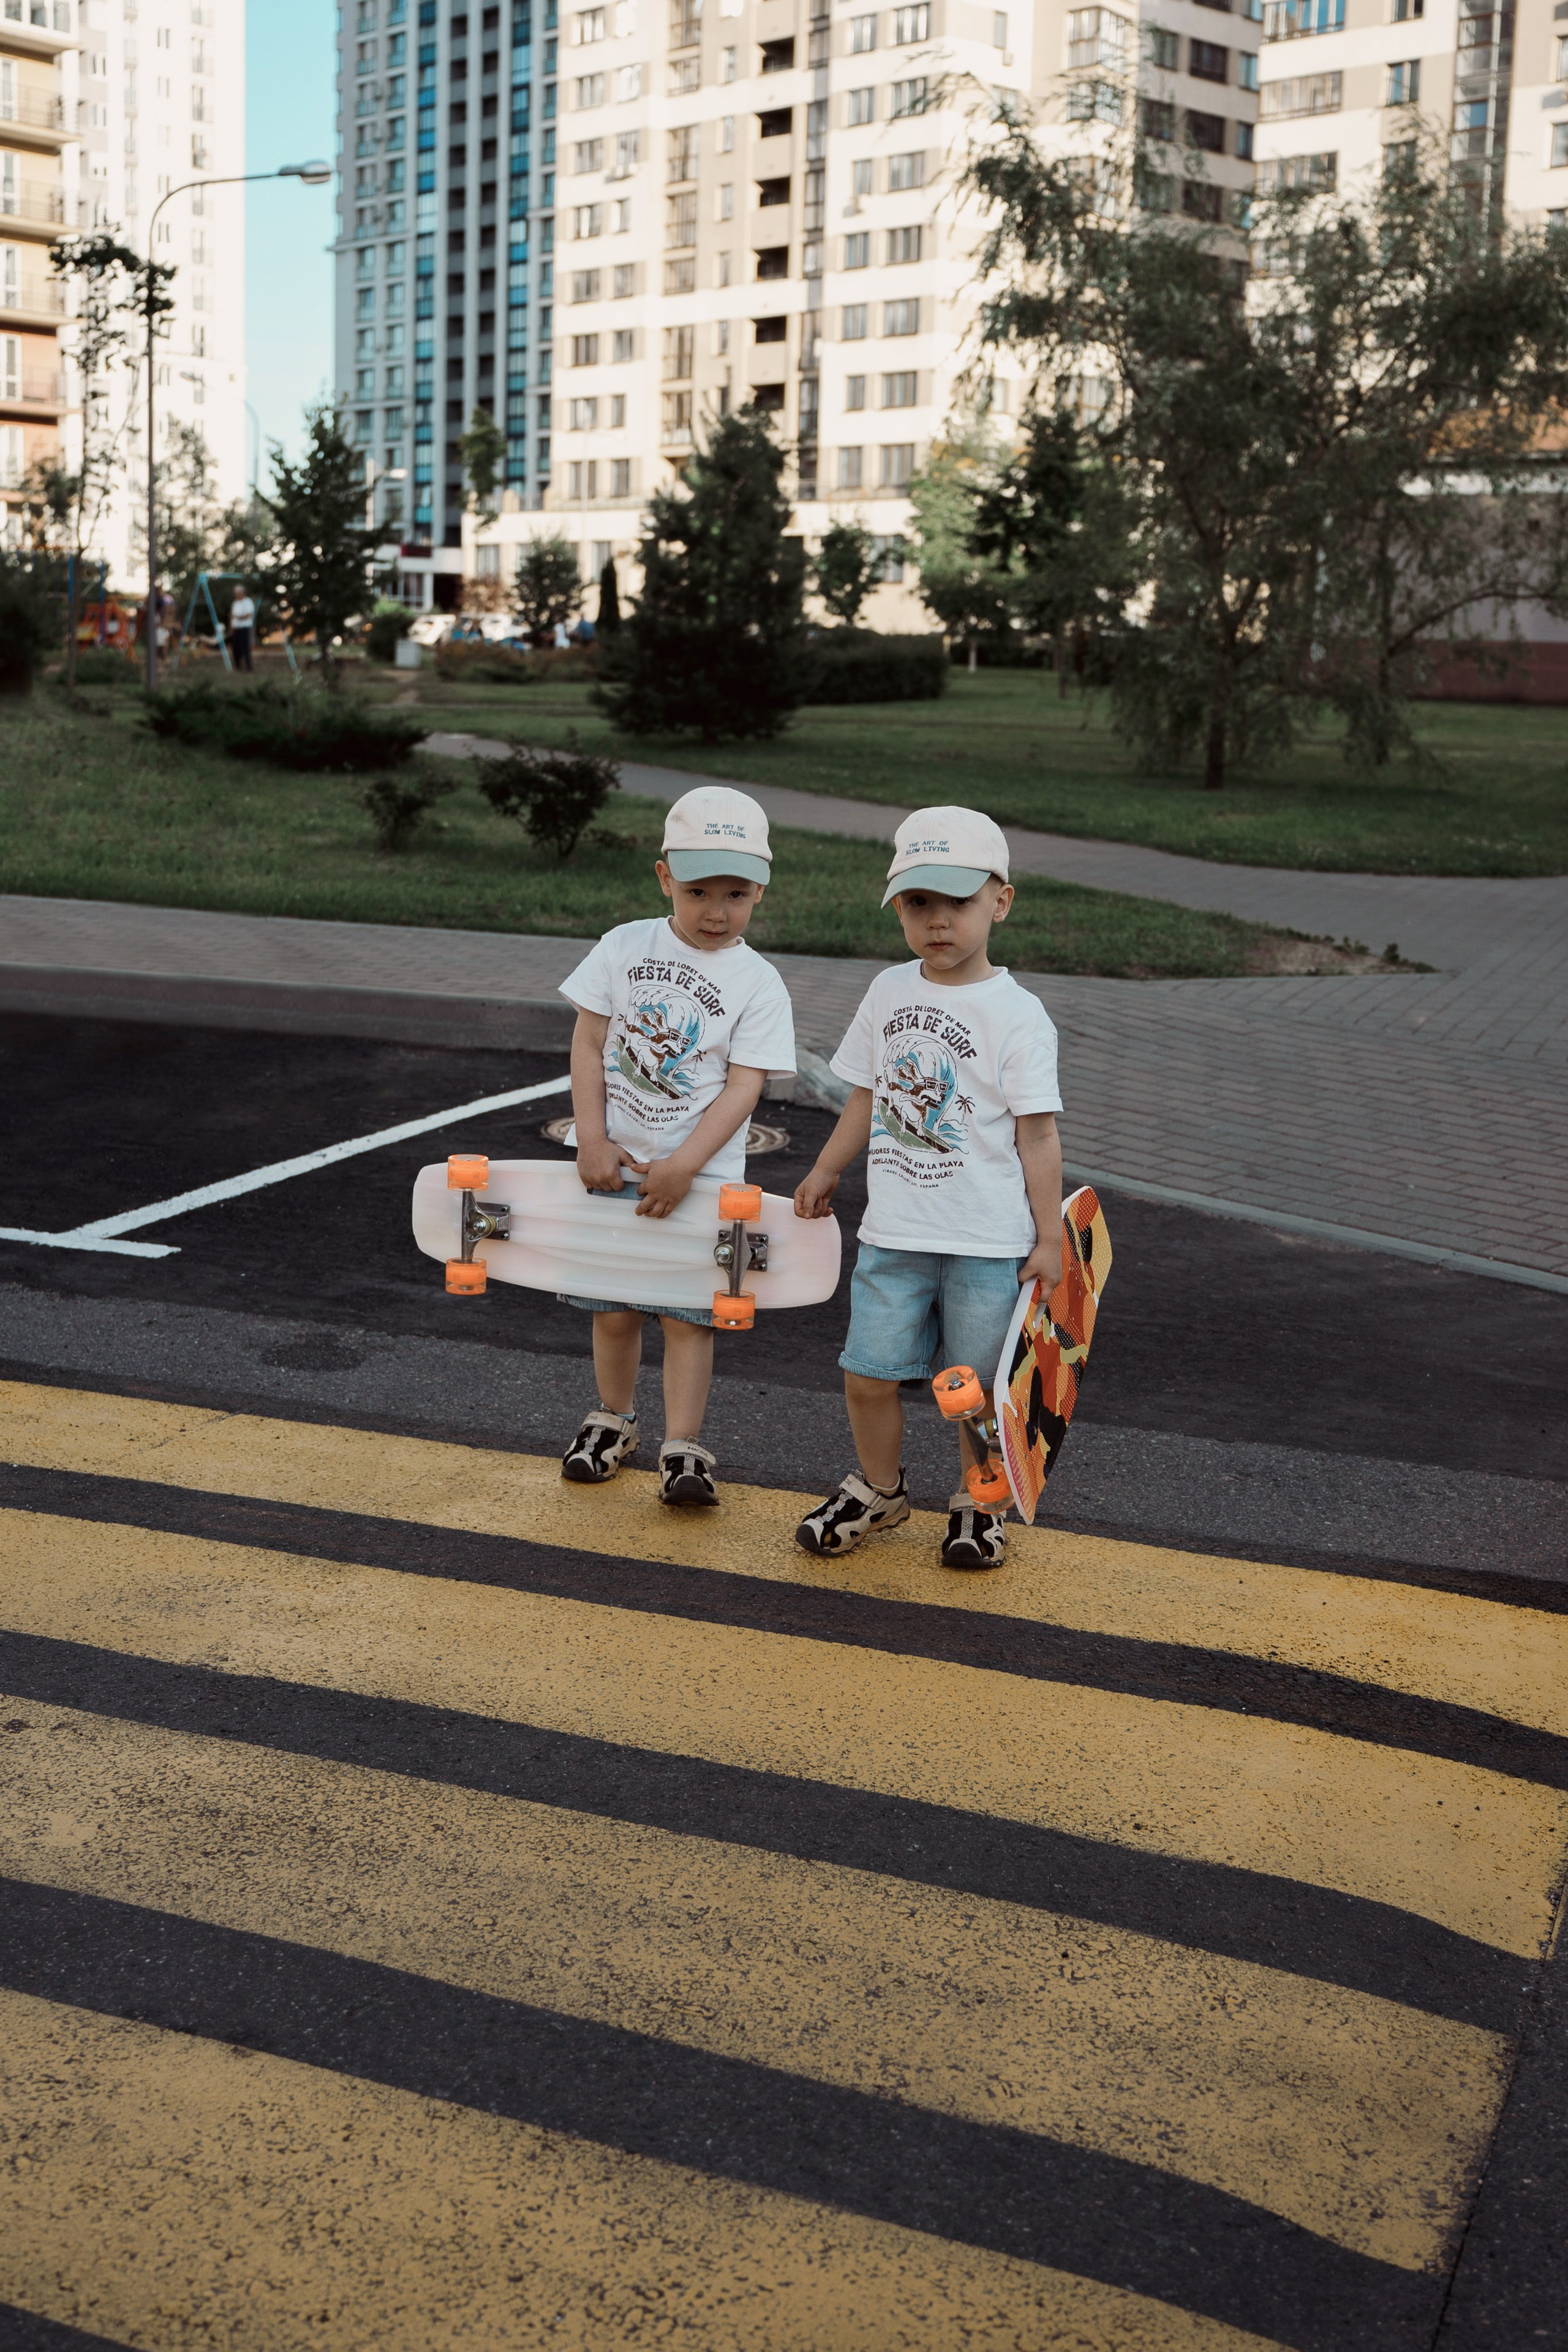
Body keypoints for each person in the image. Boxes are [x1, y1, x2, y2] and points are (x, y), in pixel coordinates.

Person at [793, 806, 1063, 1570]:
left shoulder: (1018, 1015)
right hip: (895, 1236)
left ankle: (980, 1503)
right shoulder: (886, 991)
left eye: (958, 902)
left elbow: (1037, 1135)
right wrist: (826, 1167)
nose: (937, 921)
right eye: (918, 904)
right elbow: (865, 1097)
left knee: (971, 1390)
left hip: (986, 1244)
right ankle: (880, 1491)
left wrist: (1049, 1238)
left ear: (1000, 902)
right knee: (865, 1373)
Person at [557, 785, 796, 1506]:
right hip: (613, 1169)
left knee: (687, 1319)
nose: (716, 911)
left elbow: (742, 1088)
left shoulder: (758, 982)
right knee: (614, 1307)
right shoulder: (623, 945)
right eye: (697, 891)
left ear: (761, 890)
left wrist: (686, 1166)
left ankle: (684, 1445)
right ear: (665, 877)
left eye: (736, 894)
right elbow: (589, 1044)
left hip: (700, 1182)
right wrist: (591, 1138)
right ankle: (613, 1418)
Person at [228, 587, 256, 672]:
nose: (236, 595)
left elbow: (248, 616)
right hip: (236, 628)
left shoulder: (248, 602)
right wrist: (231, 627)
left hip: (245, 628)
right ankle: (238, 667)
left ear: (242, 593)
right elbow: (232, 616)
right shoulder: (235, 603)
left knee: (245, 647)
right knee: (236, 648)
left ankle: (249, 666)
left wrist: (237, 617)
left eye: (238, 593)